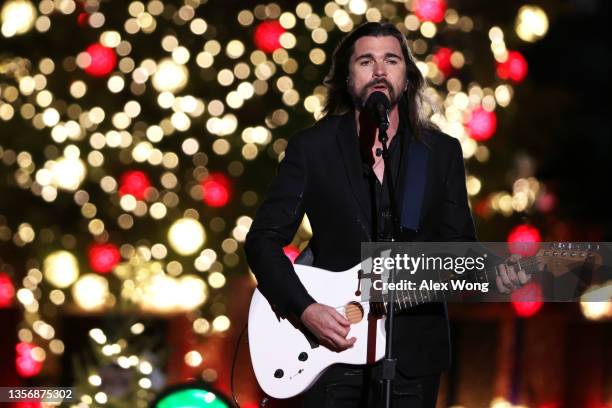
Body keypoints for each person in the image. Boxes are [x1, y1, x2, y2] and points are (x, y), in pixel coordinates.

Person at [244, 22, 527, 408]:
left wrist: (492, 271)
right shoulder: (313, 148)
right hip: (331, 351)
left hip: (413, 355)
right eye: (366, 61)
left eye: (391, 60)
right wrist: (306, 309)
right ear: (347, 77)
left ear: (406, 77)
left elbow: (461, 247)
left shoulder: (439, 152)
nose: (379, 71)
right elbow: (263, 241)